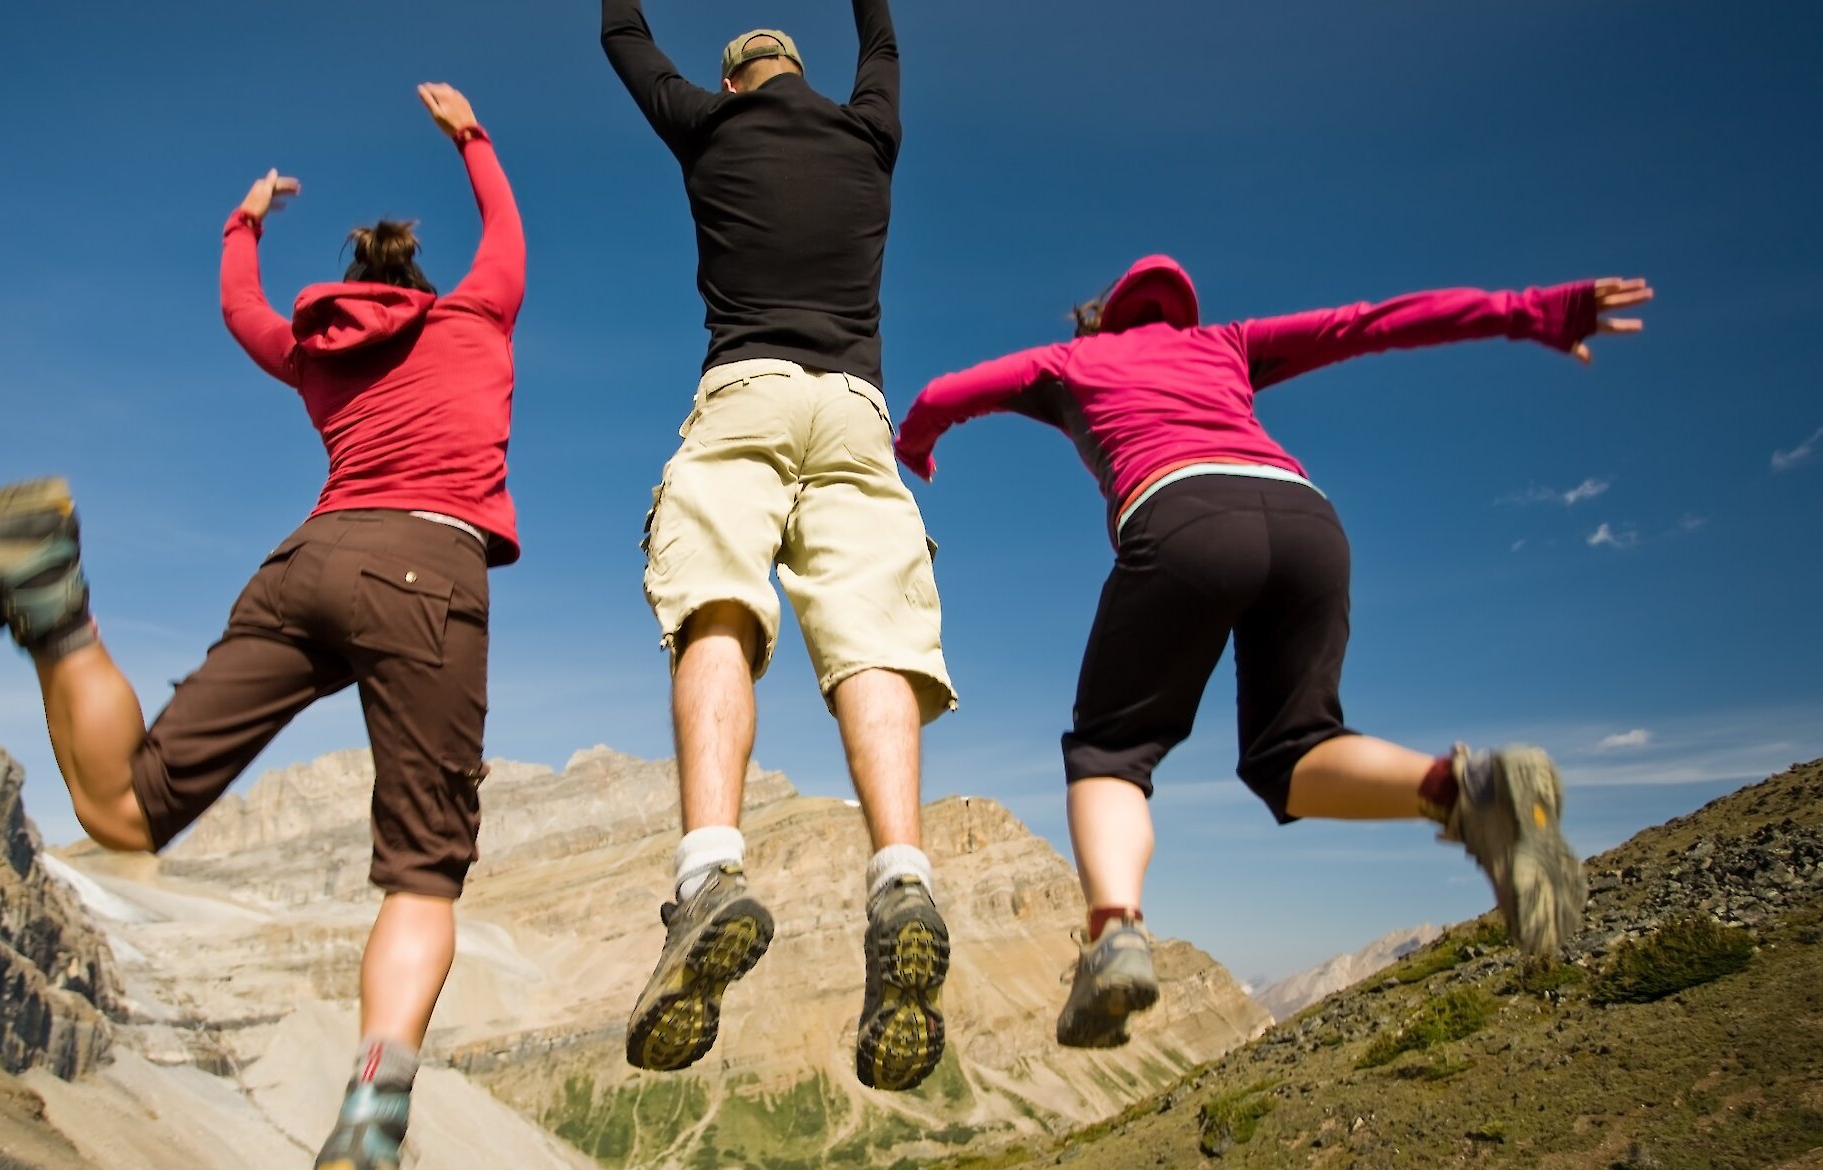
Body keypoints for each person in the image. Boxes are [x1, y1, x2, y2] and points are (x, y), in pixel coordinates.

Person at [0, 83, 524, 1170]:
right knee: (422, 872)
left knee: (125, 808)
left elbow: (243, 309)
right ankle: (371, 1124)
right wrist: (471, 135)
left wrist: (243, 221)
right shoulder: (474, 318)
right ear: (425, 291)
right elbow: (505, 233)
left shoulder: (314, 356)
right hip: (428, 569)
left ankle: (51, 598)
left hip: (305, 563)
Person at [894, 259, 1651, 1048]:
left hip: (1181, 514)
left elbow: (945, 392)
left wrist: (917, 445)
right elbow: (1372, 320)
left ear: (1099, 319)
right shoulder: (1226, 344)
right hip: (1307, 523)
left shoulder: (1072, 362)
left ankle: (1114, 935)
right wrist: (1533, 309)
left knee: (1111, 753)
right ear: (1181, 318)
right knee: (1294, 752)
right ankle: (1463, 787)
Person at [600, 0, 954, 1092]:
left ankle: (710, 872)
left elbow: (623, 37)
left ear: (737, 81)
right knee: (875, 641)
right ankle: (900, 876)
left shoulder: (711, 127)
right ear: (800, 72)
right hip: (855, 409)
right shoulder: (869, 134)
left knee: (714, 598)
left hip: (745, 391)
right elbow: (884, 50)